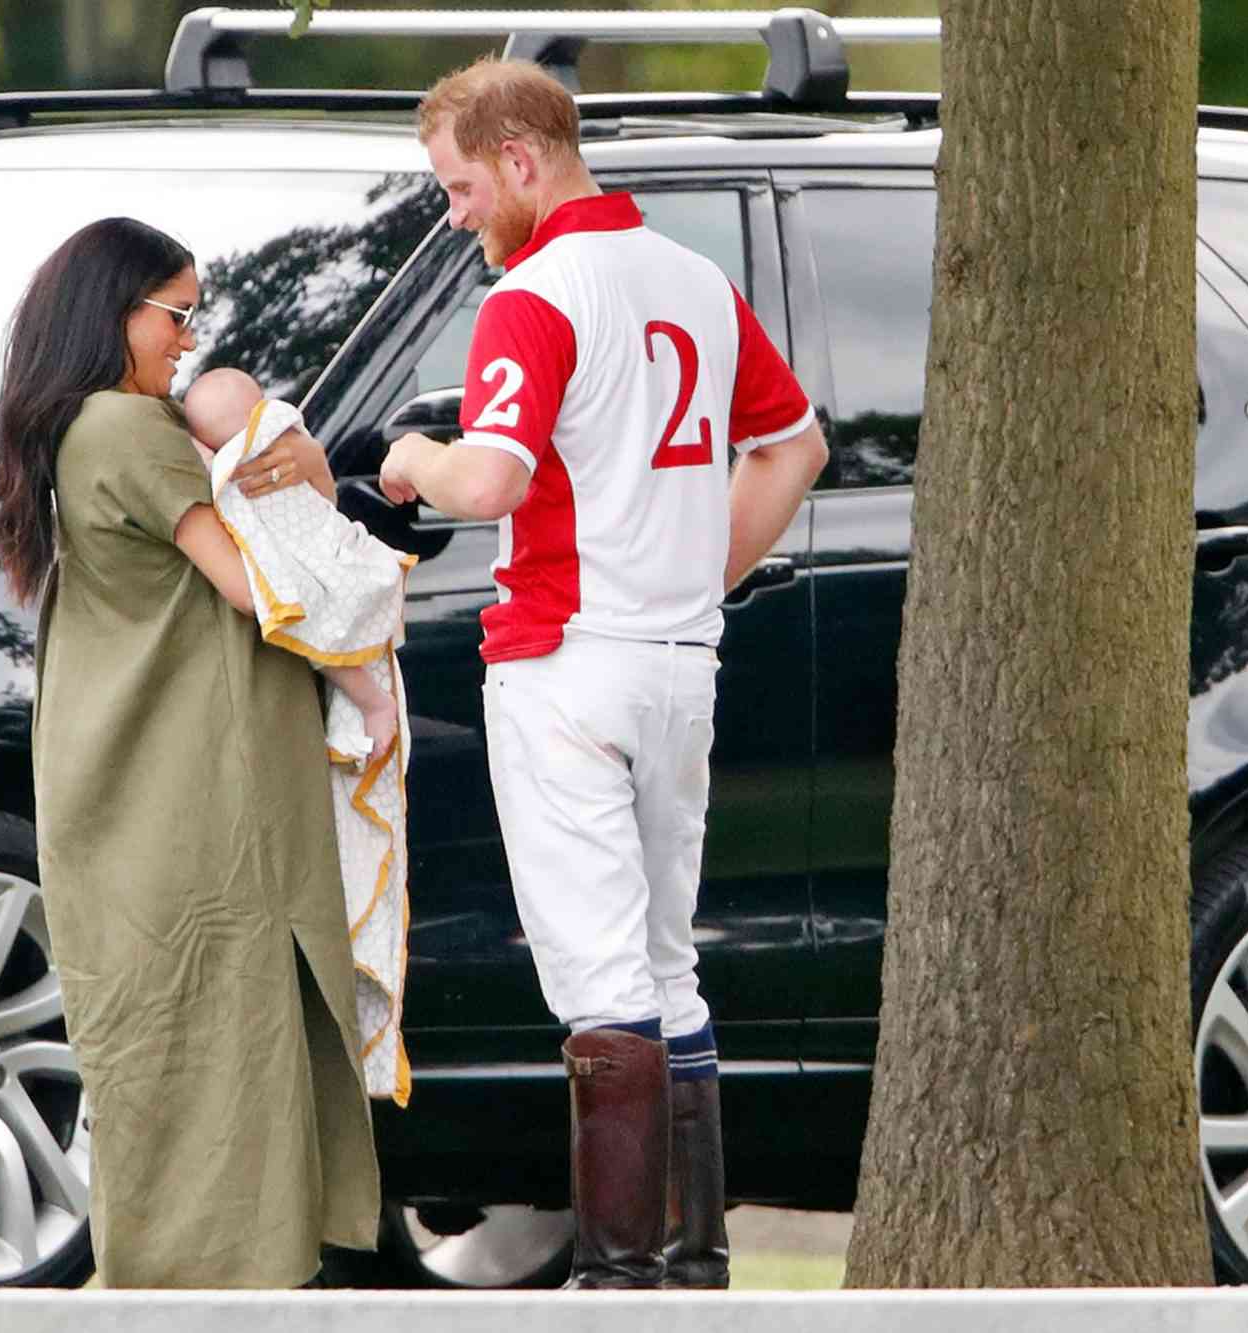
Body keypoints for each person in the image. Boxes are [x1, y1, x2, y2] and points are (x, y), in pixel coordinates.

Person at [379, 59, 830, 1290]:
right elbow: (794, 447)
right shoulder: (693, 278)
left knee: (597, 976)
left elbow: (493, 480)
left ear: (520, 160)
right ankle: (689, 1261)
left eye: (463, 186)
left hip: (565, 661)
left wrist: (416, 456)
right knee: (666, 960)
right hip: (680, 658)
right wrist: (699, 568)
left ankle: (622, 1272)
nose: (458, 212)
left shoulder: (534, 295)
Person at [0, 217, 379, 1289]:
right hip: (196, 797)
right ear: (114, 313)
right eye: (175, 314)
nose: (187, 340)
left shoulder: (74, 432)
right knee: (226, 1058)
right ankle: (213, 1295)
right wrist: (311, 495)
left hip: (127, 797)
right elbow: (262, 587)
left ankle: (169, 1288)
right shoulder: (130, 429)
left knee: (161, 1063)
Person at [185, 364, 418, 1104]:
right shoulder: (208, 470)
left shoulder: (275, 457)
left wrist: (309, 466)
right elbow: (269, 583)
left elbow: (285, 567)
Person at [185, 366, 400, 769]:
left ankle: (374, 704)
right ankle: (370, 708)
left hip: (319, 567)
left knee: (321, 629)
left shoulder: (243, 459)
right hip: (339, 557)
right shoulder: (288, 432)